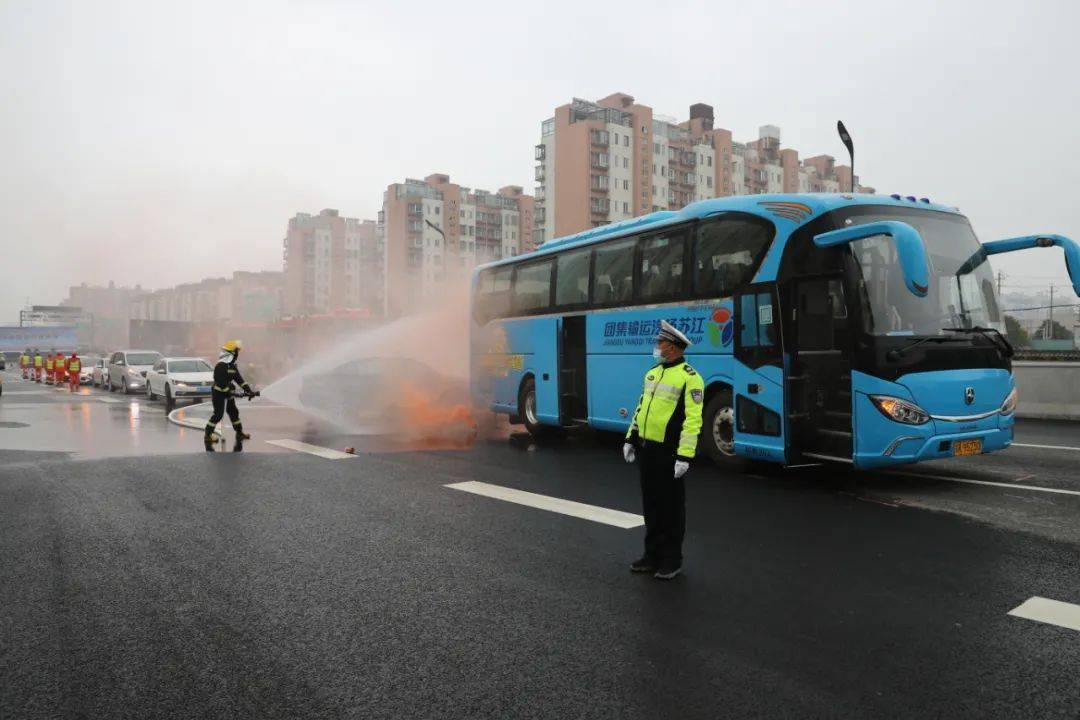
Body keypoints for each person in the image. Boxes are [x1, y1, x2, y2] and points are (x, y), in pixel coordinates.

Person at [623, 320, 705, 580]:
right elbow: (640, 409)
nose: (656, 347)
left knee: (671, 509)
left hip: (669, 454)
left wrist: (685, 456)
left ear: (673, 347)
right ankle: (652, 556)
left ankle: (671, 560)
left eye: (660, 343)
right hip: (648, 451)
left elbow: (693, 422)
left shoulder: (691, 378)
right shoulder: (653, 373)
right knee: (652, 505)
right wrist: (631, 438)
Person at [204, 340, 259, 452]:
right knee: (218, 414)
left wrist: (249, 391)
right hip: (218, 393)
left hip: (228, 392)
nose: (237, 355)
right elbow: (219, 381)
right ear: (231, 353)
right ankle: (208, 436)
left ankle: (239, 433)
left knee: (233, 412)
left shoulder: (233, 367)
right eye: (236, 352)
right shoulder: (220, 366)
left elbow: (240, 380)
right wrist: (228, 391)